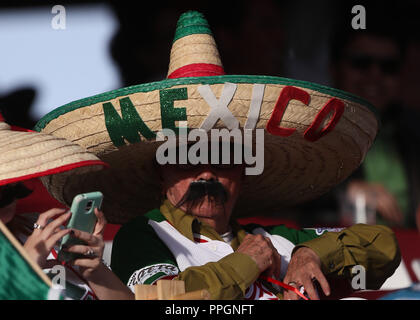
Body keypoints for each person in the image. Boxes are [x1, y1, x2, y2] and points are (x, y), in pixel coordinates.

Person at [35, 11, 400, 300]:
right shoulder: (145, 235)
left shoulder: (277, 239)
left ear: (242, 171)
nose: (206, 172)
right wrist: (246, 263)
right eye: (188, 157)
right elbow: (166, 300)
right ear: (161, 170)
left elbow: (382, 243)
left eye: (223, 158)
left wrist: (311, 255)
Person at [0, 115, 133, 300]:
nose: (11, 192)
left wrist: (95, 271)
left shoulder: (36, 227)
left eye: (14, 183)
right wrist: (24, 271)